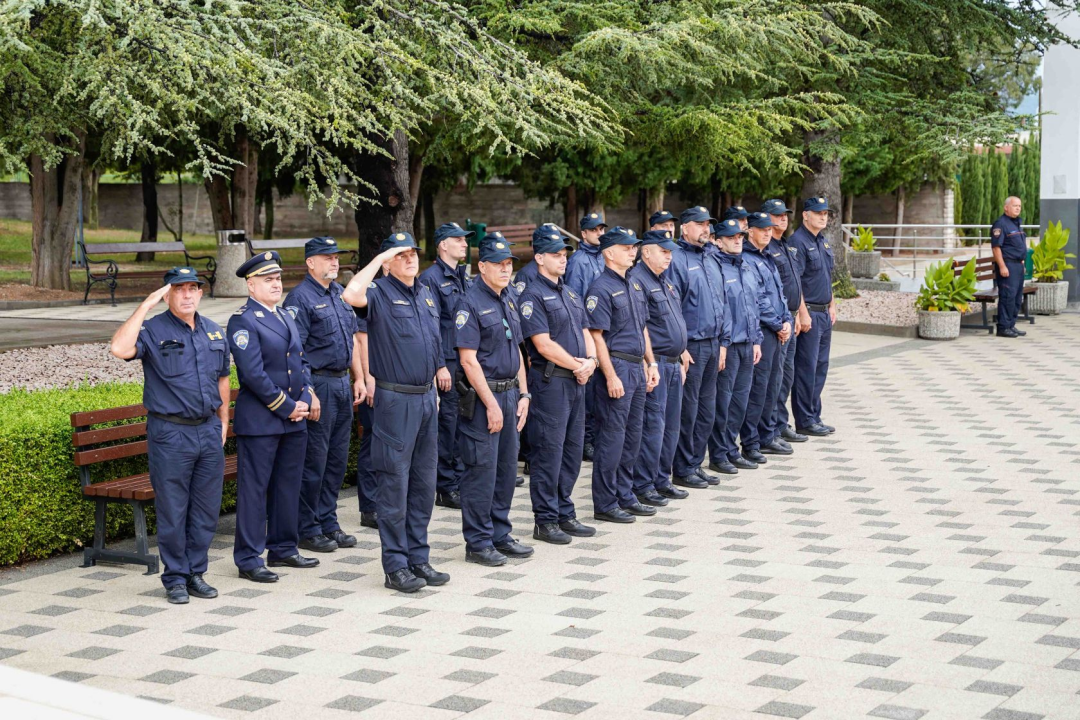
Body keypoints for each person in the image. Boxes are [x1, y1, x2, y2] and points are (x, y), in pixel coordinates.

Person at [109, 268, 230, 604]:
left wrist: (223, 421)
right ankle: (175, 578)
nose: (188, 295)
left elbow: (222, 379)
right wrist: (145, 306)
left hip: (207, 431)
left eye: (193, 289)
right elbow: (119, 348)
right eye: (179, 289)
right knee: (173, 509)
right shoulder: (153, 329)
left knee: (206, 510)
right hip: (170, 433)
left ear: (201, 294)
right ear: (167, 294)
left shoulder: (213, 332)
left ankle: (195, 573)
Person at [341, 232, 450, 593]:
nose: (409, 259)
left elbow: (432, 342)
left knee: (422, 485)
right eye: (400, 255)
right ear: (388, 262)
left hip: (424, 399)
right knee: (394, 485)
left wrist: (435, 381)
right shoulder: (379, 293)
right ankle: (396, 565)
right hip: (394, 400)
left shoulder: (426, 293)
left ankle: (419, 557)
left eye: (412, 254)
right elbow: (350, 294)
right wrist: (379, 257)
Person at [228, 252, 320, 583]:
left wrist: (307, 393)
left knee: (287, 486)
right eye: (268, 280)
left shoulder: (284, 315)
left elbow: (301, 361)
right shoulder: (243, 321)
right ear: (250, 285)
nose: (276, 284)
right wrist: (286, 405)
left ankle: (283, 548)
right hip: (263, 420)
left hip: (293, 418)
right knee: (255, 490)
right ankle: (249, 557)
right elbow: (251, 374)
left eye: (278, 278)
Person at [453, 236, 534, 565]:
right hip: (485, 398)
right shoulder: (469, 303)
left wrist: (524, 393)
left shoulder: (509, 297)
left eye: (509, 263)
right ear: (481, 266)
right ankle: (478, 541)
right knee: (481, 473)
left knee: (504, 471)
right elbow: (468, 360)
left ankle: (500, 533)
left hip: (511, 393)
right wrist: (490, 404)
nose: (505, 268)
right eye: (498, 264)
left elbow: (517, 349)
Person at [282, 237, 365, 555]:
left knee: (336, 460)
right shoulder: (300, 298)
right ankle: (308, 527)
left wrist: (358, 377)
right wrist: (308, 391)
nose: (334, 262)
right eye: (326, 257)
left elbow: (353, 339)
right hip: (319, 384)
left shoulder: (341, 296)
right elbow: (294, 351)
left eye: (336, 257)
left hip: (342, 384)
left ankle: (328, 522)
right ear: (310, 263)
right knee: (315, 460)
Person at [518, 231, 597, 544]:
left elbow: (586, 329)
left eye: (565, 254)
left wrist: (591, 360)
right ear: (539, 258)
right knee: (548, 452)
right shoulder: (532, 294)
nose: (563, 258)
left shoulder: (571, 292)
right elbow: (542, 344)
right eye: (555, 254)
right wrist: (579, 365)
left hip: (577, 381)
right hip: (551, 382)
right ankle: (546, 519)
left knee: (572, 451)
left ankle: (565, 510)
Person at [585, 226, 660, 523]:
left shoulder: (634, 284)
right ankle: (605, 503)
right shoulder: (600, 288)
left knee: (632, 436)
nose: (633, 251)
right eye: (626, 247)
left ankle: (625, 494)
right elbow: (596, 335)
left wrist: (650, 363)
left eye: (634, 247)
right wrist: (611, 374)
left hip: (636, 366)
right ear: (609, 252)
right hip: (617, 366)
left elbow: (642, 327)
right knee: (612, 438)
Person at [666, 207, 729, 489]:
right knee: (688, 410)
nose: (706, 229)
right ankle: (682, 468)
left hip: (714, 344)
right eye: (700, 224)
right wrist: (680, 348)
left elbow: (722, 302)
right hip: (692, 346)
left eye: (708, 225)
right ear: (685, 227)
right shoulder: (677, 260)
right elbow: (671, 308)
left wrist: (724, 342)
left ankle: (695, 462)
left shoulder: (711, 256)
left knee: (707, 409)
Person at [630, 230, 690, 506]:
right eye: (663, 251)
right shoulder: (638, 281)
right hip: (655, 365)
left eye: (670, 252)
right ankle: (644, 484)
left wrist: (681, 352)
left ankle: (662, 480)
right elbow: (640, 328)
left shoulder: (665, 281)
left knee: (670, 426)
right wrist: (649, 362)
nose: (669, 256)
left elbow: (673, 321)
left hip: (672, 362)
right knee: (652, 426)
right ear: (646, 253)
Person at [418, 222, 475, 509]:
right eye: (458, 240)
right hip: (448, 362)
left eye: (465, 240)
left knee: (463, 423)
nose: (464, 244)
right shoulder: (430, 279)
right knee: (448, 425)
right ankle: (446, 486)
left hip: (465, 360)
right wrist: (439, 365)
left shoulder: (463, 276)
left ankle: (459, 478)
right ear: (443, 245)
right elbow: (430, 327)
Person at [708, 219, 762, 474]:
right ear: (718, 241)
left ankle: (731, 449)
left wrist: (756, 339)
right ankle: (718, 454)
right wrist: (722, 344)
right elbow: (719, 311)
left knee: (740, 401)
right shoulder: (716, 268)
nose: (738, 240)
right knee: (724, 402)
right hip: (728, 346)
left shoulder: (746, 266)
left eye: (740, 236)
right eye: (731, 237)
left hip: (746, 344)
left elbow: (754, 306)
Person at [740, 213, 794, 461]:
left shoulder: (767, 256)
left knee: (774, 385)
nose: (767, 233)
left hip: (776, 329)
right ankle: (752, 442)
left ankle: (768, 434)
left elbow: (780, 293)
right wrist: (777, 323)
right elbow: (758, 297)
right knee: (759, 388)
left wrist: (787, 320)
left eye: (769, 229)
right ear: (750, 231)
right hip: (764, 330)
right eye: (762, 229)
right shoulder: (748, 259)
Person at [761, 199, 808, 446]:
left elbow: (793, 285)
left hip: (790, 318)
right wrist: (781, 321)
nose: (783, 219)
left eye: (785, 215)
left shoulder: (785, 245)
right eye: (777, 215)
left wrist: (799, 313)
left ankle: (779, 423)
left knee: (785, 376)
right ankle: (770, 428)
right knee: (773, 378)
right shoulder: (766, 248)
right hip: (775, 323)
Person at [790, 197, 837, 437]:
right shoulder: (797, 242)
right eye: (818, 213)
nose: (823, 217)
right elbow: (795, 282)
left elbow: (826, 277)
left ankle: (814, 415)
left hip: (823, 313)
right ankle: (805, 419)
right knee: (806, 368)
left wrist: (832, 303)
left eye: (825, 213)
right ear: (805, 215)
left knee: (820, 367)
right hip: (809, 313)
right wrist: (802, 313)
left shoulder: (823, 242)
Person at [565, 212, 607, 461]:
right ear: (584, 233)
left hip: (603, 332)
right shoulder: (579, 261)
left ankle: (593, 436)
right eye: (594, 230)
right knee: (589, 394)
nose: (599, 233)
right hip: (589, 333)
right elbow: (575, 300)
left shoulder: (602, 256)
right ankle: (586, 441)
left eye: (602, 229)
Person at [353, 316, 379, 529]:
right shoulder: (371, 293)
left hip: (396, 384)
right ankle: (370, 508)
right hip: (377, 383)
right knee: (373, 445)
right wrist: (368, 378)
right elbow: (361, 340)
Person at [991, 196, 1029, 339]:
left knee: (1017, 298)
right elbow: (996, 248)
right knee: (1008, 297)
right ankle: (1003, 327)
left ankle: (1011, 325)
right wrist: (1002, 266)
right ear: (1006, 207)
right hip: (1008, 265)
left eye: (1019, 205)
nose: (1018, 208)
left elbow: (1019, 246)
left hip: (1018, 266)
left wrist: (1022, 264)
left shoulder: (1016, 223)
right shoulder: (1001, 224)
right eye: (1015, 205)